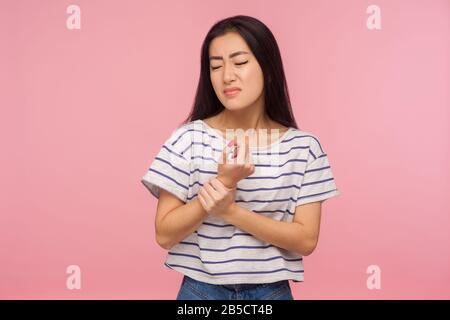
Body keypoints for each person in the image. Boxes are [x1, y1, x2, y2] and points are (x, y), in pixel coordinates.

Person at [140, 15, 340, 300]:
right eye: (216, 66)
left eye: (240, 62)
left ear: (267, 68)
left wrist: (230, 211)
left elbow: (305, 240)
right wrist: (223, 183)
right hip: (200, 291)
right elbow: (165, 234)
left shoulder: (304, 148)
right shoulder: (188, 139)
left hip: (271, 295)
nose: (227, 76)